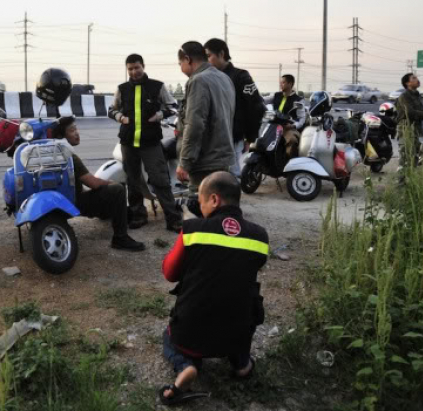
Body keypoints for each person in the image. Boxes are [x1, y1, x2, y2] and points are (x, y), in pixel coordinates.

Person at [158, 172, 269, 406]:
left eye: (201, 202)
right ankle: (242, 364)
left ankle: (186, 366)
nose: (201, 208)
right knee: (240, 301)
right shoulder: (260, 237)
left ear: (215, 200)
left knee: (169, 338)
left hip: (192, 331)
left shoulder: (193, 231)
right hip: (236, 331)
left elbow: (169, 273)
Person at [108, 54, 183, 232]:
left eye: (137, 68)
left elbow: (173, 106)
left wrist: (160, 115)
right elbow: (111, 109)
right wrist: (120, 117)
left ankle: (173, 218)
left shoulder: (157, 86)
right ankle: (138, 216)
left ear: (143, 66)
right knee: (133, 181)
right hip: (128, 142)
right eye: (130, 69)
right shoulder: (122, 88)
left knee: (160, 180)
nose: (134, 72)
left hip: (151, 143)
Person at [53, 117, 145, 251]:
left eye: (76, 128)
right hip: (75, 203)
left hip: (61, 201)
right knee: (118, 189)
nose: (77, 133)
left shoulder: (54, 151)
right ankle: (120, 238)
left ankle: (114, 214)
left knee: (114, 199)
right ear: (62, 135)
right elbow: (93, 183)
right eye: (72, 130)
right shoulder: (69, 156)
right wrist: (110, 182)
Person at [175, 41, 235, 217]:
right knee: (220, 210)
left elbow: (194, 124)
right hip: (222, 157)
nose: (181, 68)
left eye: (180, 64)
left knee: (200, 211)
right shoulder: (224, 78)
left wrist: (185, 162)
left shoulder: (198, 80)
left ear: (187, 59)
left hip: (205, 161)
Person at [204, 38, 265, 179]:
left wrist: (250, 137)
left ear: (221, 53)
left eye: (209, 56)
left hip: (232, 137)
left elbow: (256, 107)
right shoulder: (207, 77)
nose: (207, 61)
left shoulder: (240, 76)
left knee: (230, 177)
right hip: (211, 138)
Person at [395, 73, 423, 178]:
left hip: (416, 130)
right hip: (406, 129)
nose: (417, 80)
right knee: (405, 159)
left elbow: (421, 112)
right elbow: (410, 112)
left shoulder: (416, 96)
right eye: (414, 78)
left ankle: (410, 183)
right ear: (407, 83)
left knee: (414, 158)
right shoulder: (404, 96)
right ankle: (400, 187)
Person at [271, 74, 306, 157]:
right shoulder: (276, 95)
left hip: (288, 127)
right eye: (280, 82)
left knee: (292, 140)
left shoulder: (298, 100)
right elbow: (263, 100)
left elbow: (302, 118)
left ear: (290, 84)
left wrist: (293, 125)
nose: (280, 84)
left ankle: (288, 162)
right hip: (274, 126)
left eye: (283, 82)